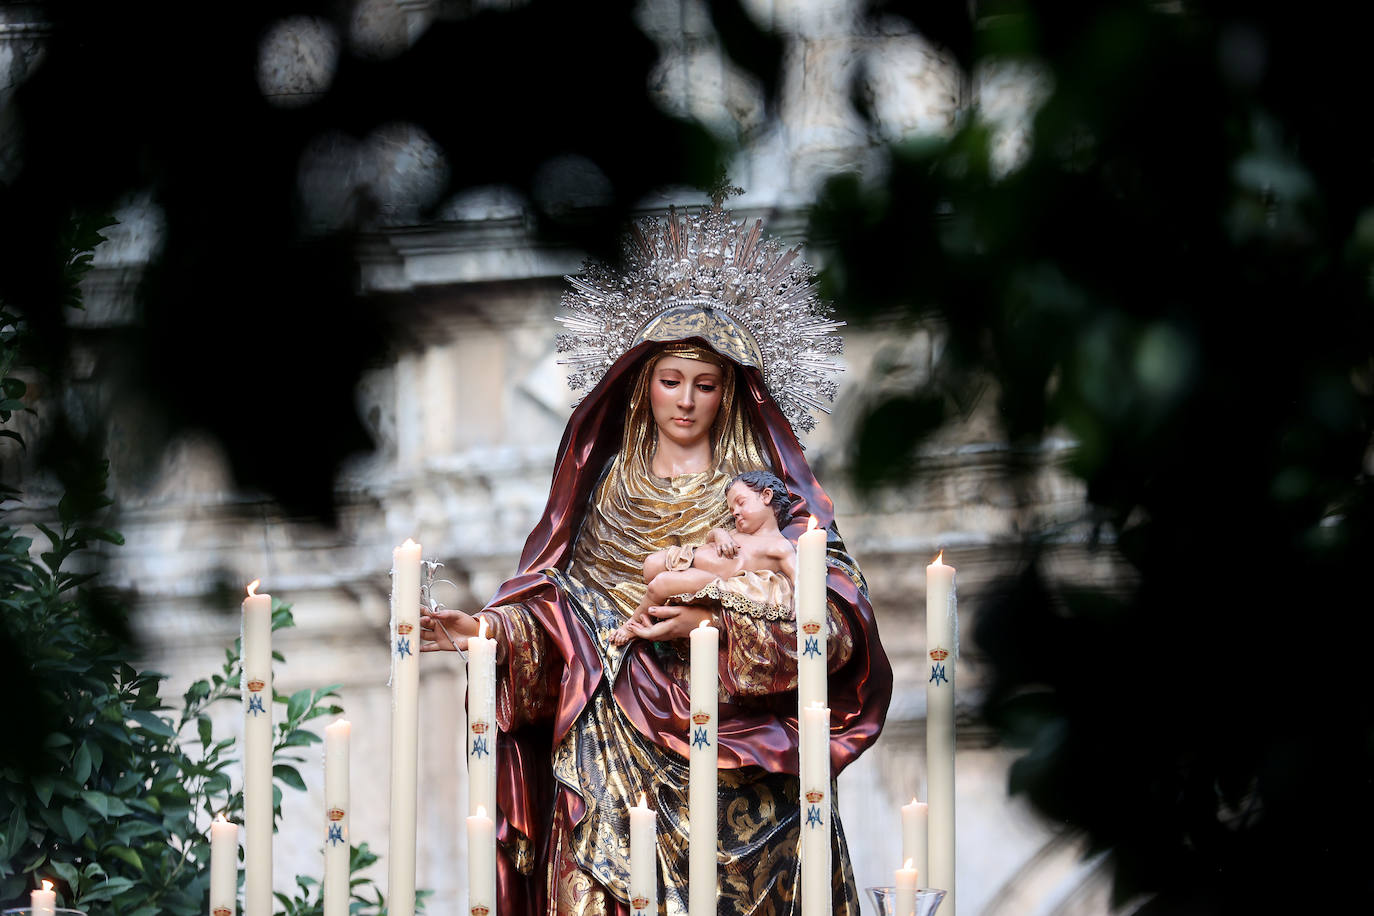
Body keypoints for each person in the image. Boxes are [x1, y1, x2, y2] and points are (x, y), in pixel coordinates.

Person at [419, 203, 891, 916]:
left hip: (741, 779)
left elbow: (834, 622)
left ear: (730, 390)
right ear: (643, 384)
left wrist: (717, 621)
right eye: (672, 381)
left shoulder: (770, 500)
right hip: (608, 761)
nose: (687, 401)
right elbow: (569, 621)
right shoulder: (603, 496)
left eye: (705, 385)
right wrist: (493, 636)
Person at [612, 470, 796, 646]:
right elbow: (710, 539)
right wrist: (720, 534)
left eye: (741, 503)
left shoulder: (779, 545)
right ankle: (667, 600)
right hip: (687, 558)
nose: (735, 512)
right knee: (651, 564)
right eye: (732, 509)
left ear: (766, 496)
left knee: (660, 584)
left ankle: (632, 625)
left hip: (714, 581)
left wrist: (801, 607)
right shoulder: (738, 532)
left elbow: (800, 578)